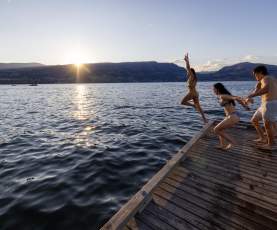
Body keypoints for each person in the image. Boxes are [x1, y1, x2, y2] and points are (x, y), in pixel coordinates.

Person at [245, 65, 277, 150]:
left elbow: (266, 89)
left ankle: (271, 145)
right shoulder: (264, 80)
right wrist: (249, 98)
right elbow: (256, 89)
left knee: (267, 125)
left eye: (255, 75)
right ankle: (262, 138)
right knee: (254, 120)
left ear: (260, 73)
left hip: (270, 104)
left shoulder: (266, 78)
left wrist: (252, 95)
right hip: (264, 105)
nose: (255, 77)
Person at [213, 83, 249, 150]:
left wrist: (244, 104)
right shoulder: (225, 95)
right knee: (220, 129)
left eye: (214, 89)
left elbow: (235, 98)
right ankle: (222, 145)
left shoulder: (222, 96)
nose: (213, 90)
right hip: (232, 116)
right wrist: (245, 106)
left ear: (217, 89)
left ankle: (232, 142)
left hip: (232, 117)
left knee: (216, 129)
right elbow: (236, 98)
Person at [181, 53, 207, 123]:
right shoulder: (193, 78)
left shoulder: (192, 76)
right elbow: (188, 69)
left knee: (182, 102)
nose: (187, 72)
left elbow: (188, 68)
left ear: (191, 72)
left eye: (188, 71)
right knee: (199, 107)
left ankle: (193, 106)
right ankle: (205, 120)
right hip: (195, 93)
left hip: (192, 93)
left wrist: (187, 61)